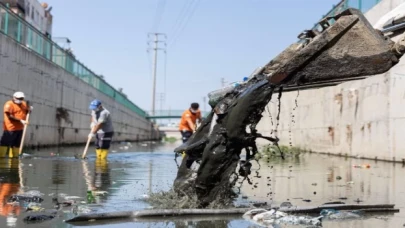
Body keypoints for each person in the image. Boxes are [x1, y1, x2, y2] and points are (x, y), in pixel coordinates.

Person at [0, 92, 32, 158]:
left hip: (20, 128)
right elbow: (9, 116)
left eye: (21, 98)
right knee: (5, 143)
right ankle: (1, 157)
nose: (20, 100)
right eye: (18, 98)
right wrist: (20, 120)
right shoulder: (9, 104)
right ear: (14, 97)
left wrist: (29, 110)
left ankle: (14, 158)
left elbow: (26, 111)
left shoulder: (23, 104)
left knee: (16, 144)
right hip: (10, 128)